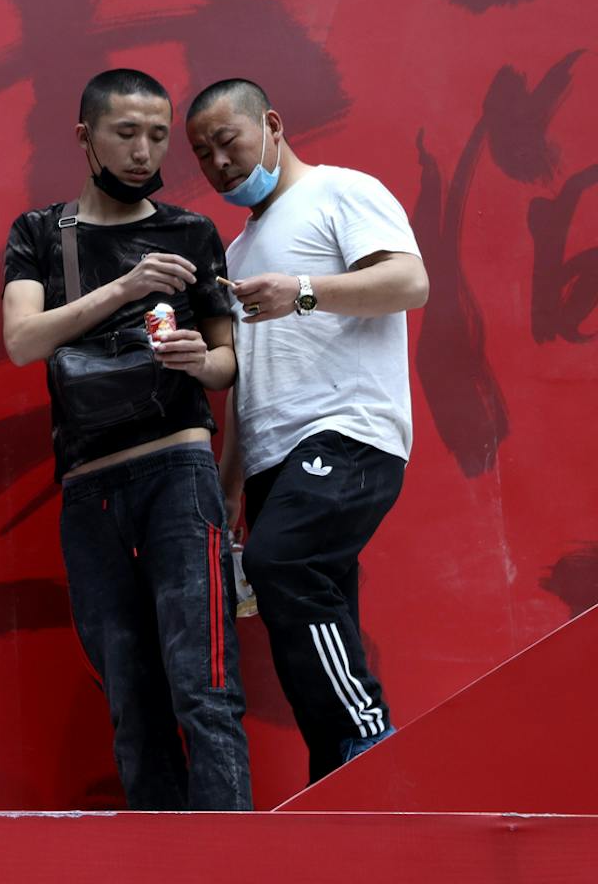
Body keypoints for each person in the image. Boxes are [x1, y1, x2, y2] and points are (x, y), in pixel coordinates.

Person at [3, 68, 250, 810]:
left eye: (156, 135)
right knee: (130, 700)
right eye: (125, 132)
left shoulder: (191, 231)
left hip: (178, 471)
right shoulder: (41, 233)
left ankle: (231, 865)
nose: (144, 151)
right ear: (86, 136)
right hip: (89, 488)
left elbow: (227, 363)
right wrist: (126, 288)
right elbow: (21, 340)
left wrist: (197, 361)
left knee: (203, 686)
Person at [185, 78, 429, 782]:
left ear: (273, 123)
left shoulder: (340, 192)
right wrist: (228, 485)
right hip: (270, 460)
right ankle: (343, 777)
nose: (219, 163)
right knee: (311, 616)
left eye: (227, 141)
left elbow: (409, 283)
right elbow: (249, 378)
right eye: (203, 155)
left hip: (349, 434)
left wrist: (307, 290)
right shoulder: (235, 254)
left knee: (282, 564)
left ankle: (367, 736)